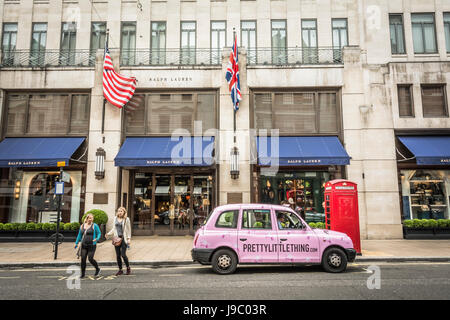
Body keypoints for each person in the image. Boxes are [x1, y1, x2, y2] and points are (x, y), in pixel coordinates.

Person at [74, 213, 101, 279]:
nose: (90, 219)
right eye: (89, 218)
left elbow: (99, 233)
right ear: (86, 218)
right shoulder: (82, 226)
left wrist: (97, 239)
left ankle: (97, 269)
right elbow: (79, 235)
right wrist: (76, 243)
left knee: (90, 258)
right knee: (83, 259)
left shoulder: (95, 226)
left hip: (92, 245)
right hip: (84, 245)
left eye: (91, 218)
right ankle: (82, 274)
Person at [106, 207, 132, 276]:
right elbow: (114, 228)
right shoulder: (115, 219)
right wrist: (108, 234)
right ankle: (120, 270)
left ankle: (128, 268)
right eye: (118, 211)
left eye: (121, 211)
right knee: (118, 255)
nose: (119, 212)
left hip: (124, 239)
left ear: (124, 212)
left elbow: (129, 230)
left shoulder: (127, 219)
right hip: (116, 238)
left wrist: (129, 238)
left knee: (123, 255)